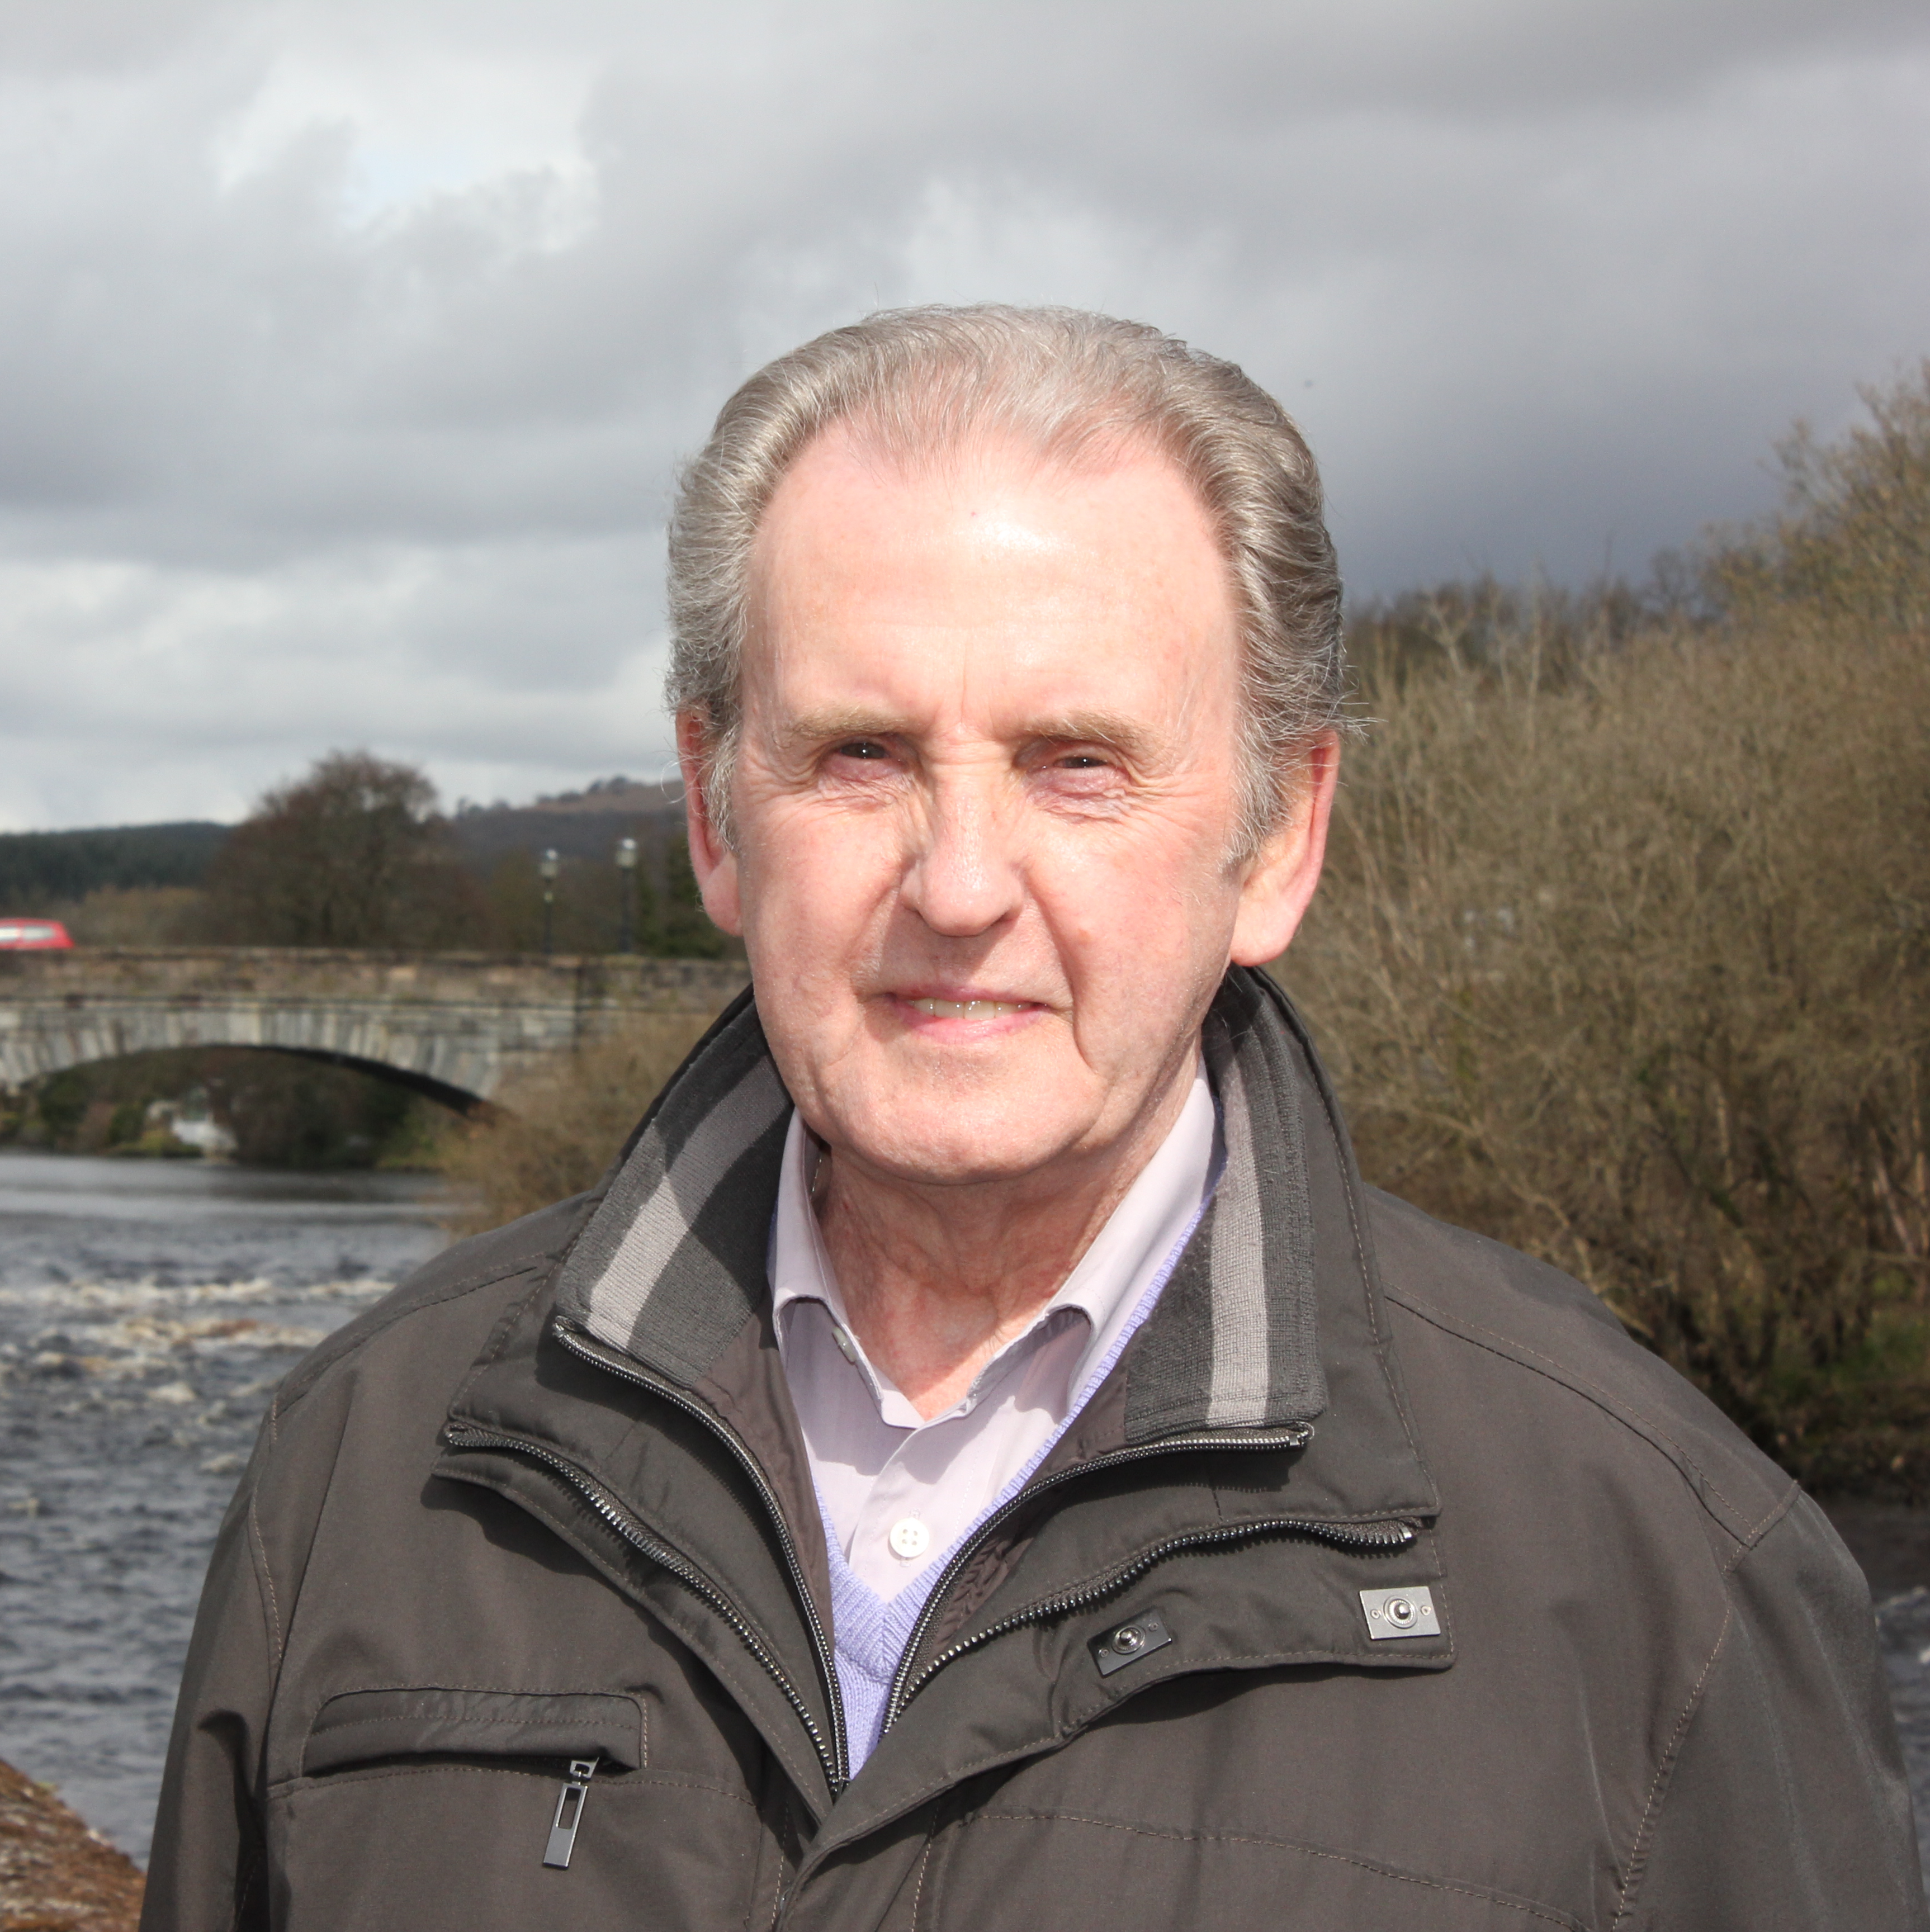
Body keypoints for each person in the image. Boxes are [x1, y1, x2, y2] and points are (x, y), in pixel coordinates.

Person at [141, 306, 1924, 1929]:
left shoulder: (1656, 1566)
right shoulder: (376, 1467)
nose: (962, 882)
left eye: (1078, 762)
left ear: (1280, 837)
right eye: (861, 756)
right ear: (709, 814)